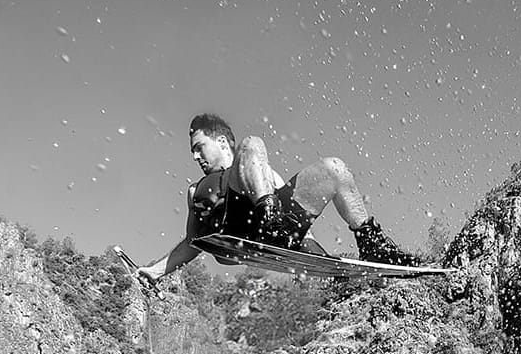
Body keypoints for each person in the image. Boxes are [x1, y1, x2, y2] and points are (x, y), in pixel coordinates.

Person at [137, 112, 421, 282]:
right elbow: (191, 243)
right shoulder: (194, 191)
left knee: (334, 169)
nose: (194, 156)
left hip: (274, 229)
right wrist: (155, 271)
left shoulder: (262, 171)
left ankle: (372, 244)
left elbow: (301, 227)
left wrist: (327, 267)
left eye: (199, 147)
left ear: (221, 141)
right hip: (235, 230)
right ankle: (269, 221)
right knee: (254, 146)